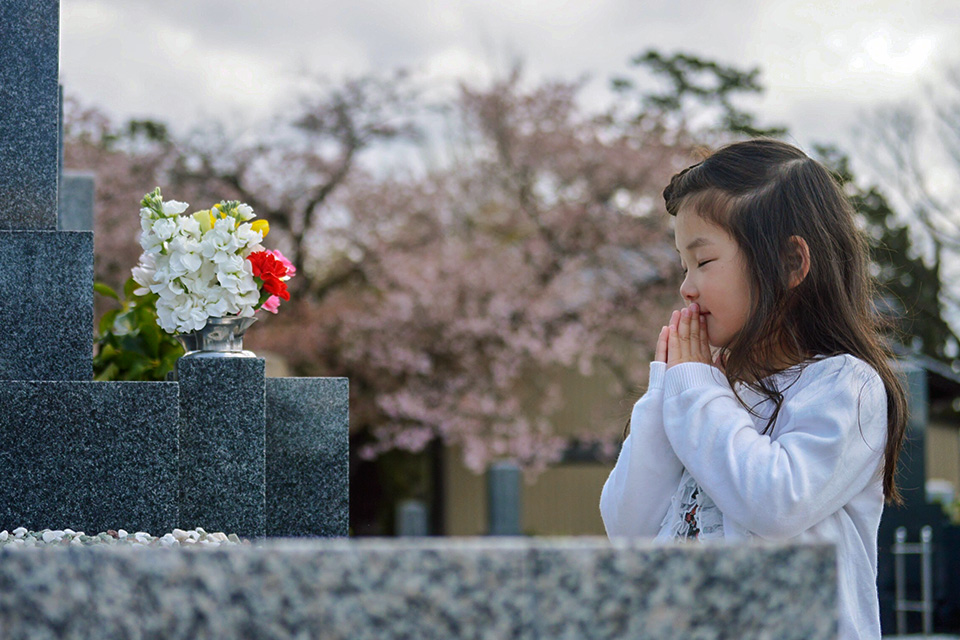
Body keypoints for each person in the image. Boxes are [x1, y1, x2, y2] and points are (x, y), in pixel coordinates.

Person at [599, 138, 907, 640]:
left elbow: (775, 502)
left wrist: (695, 388)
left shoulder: (844, 386)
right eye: (683, 266)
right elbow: (627, 526)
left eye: (704, 262)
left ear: (790, 263)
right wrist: (666, 389)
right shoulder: (705, 388)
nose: (686, 287)